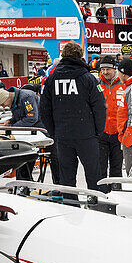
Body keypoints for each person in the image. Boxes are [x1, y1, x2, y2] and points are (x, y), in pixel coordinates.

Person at [41, 42, 106, 190]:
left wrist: (54, 132)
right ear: (80, 56)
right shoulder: (88, 79)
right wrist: (98, 132)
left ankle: (70, 207)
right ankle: (97, 207)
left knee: (67, 179)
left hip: (63, 136)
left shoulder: (51, 79)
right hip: (86, 135)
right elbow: (100, 107)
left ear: (63, 56)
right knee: (94, 175)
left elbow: (44, 109)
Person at [97, 56, 125, 184]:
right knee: (100, 168)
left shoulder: (123, 84)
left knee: (116, 168)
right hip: (101, 134)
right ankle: (103, 194)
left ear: (115, 69)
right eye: (103, 69)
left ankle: (117, 194)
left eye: (108, 69)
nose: (105, 72)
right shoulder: (97, 84)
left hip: (118, 134)